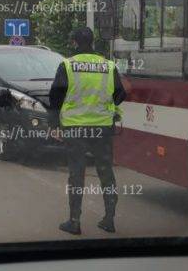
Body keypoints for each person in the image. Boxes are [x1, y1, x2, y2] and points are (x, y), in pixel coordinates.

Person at [48, 27, 126, 235]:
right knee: (106, 171)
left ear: (74, 43)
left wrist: (54, 124)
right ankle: (109, 219)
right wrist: (106, 107)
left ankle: (74, 221)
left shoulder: (67, 65)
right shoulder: (108, 66)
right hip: (102, 127)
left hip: (75, 128)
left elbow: (55, 98)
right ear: (92, 42)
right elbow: (120, 94)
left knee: (76, 173)